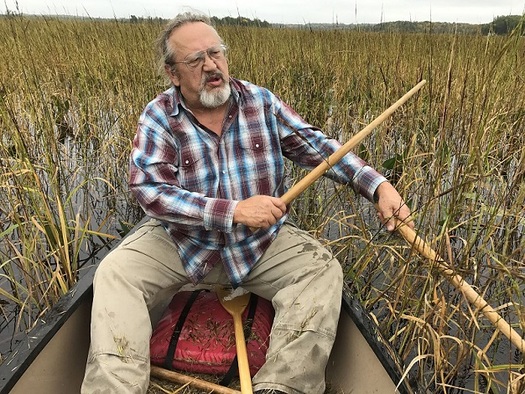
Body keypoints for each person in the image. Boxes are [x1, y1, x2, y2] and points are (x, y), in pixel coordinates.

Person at [81, 11, 413, 394]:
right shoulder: (159, 115)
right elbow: (149, 189)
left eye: (216, 53)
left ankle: (283, 386)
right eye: (195, 60)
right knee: (115, 273)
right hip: (184, 242)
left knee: (321, 272)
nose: (211, 66)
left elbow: (321, 149)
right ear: (173, 74)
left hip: (259, 245)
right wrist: (233, 211)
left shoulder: (260, 102)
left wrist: (379, 186)